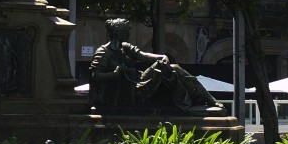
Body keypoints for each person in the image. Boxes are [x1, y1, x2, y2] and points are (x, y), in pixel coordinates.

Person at [89, 18, 223, 113]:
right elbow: (96, 75)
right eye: (126, 32)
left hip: (138, 82)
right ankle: (201, 99)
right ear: (118, 33)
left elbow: (143, 56)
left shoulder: (125, 47)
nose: (129, 34)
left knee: (174, 68)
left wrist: (162, 57)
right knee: (172, 70)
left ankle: (205, 99)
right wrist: (114, 74)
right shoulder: (103, 52)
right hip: (127, 93)